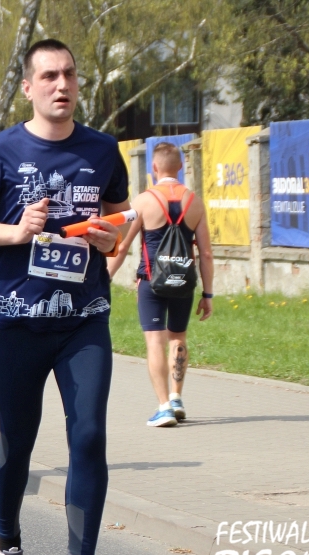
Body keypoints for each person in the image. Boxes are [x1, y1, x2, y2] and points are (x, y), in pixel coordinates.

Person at [0, 39, 130, 555]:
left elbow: (119, 221)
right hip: (17, 323)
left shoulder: (103, 150)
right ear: (28, 87)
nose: (61, 84)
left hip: (83, 321)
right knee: (17, 441)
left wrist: (110, 241)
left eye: (69, 74)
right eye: (48, 75)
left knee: (89, 436)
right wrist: (15, 233)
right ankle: (8, 548)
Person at [108, 142, 214, 427]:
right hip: (183, 282)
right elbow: (205, 253)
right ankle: (177, 398)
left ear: (153, 167)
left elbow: (122, 245)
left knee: (155, 341)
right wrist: (208, 294)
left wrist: (104, 277)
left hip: (150, 281)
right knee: (178, 337)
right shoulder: (195, 202)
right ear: (180, 166)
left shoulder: (144, 201)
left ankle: (164, 406)